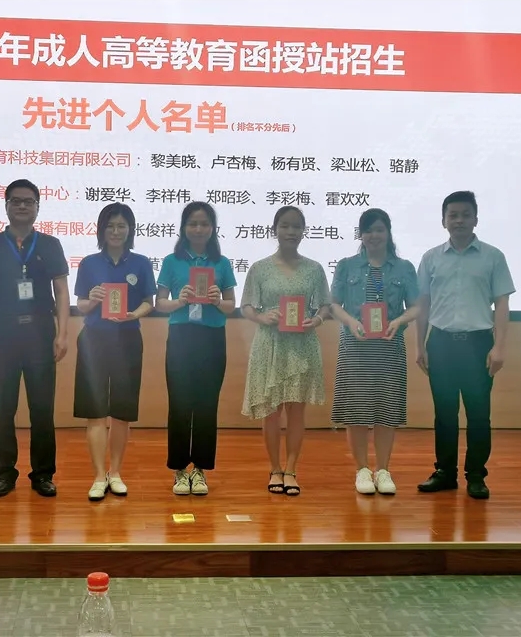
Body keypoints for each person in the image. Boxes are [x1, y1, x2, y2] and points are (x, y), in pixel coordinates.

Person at [0, 179, 70, 498]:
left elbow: (62, 291)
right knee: (3, 408)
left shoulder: (50, 244)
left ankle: (42, 474)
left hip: (40, 333)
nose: (22, 206)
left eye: (29, 201)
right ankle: (4, 473)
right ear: (6, 206)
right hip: (2, 332)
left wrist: (63, 334)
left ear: (38, 207)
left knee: (42, 409)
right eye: (16, 201)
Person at [415, 191, 515, 500]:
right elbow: (423, 305)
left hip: (478, 345)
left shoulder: (493, 256)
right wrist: (420, 346)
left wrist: (499, 347)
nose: (459, 220)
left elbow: (502, 304)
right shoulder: (431, 258)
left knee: (478, 414)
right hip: (441, 343)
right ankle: (445, 472)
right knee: (444, 414)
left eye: (465, 214)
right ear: (443, 220)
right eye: (453, 215)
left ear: (476, 219)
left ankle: (476, 476)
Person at [239, 205, 332, 496]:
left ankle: (291, 469)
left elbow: (325, 305)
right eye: (285, 226)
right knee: (271, 411)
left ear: (304, 231)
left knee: (296, 411)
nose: (291, 232)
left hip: (302, 345)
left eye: (296, 226)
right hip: (270, 344)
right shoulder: (259, 268)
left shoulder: (314, 269)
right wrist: (261, 316)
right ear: (275, 230)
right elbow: (246, 306)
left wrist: (316, 320)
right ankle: (275, 468)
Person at [329, 208, 420, 496]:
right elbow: (333, 304)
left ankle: (382, 469)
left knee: (386, 409)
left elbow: (416, 306)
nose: (373, 235)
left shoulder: (404, 268)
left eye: (379, 229)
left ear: (388, 232)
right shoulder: (347, 266)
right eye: (368, 230)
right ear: (361, 234)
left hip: (389, 347)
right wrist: (350, 321)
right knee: (356, 410)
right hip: (355, 346)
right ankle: (362, 470)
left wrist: (399, 321)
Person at [73, 203, 156, 501]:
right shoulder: (89, 263)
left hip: (128, 340)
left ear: (130, 230)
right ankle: (99, 476)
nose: (116, 231)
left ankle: (116, 472)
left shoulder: (141, 263)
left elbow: (149, 302)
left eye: (122, 226)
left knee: (122, 412)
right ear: (101, 230)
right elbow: (81, 306)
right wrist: (93, 299)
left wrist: (134, 314)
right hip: (94, 340)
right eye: (110, 226)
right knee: (95, 412)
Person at [155, 201, 237, 496]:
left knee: (206, 405)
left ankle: (200, 470)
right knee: (179, 405)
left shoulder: (222, 263)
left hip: (212, 338)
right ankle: (179, 470)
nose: (198, 229)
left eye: (204, 223)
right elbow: (159, 303)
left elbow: (231, 305)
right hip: (181, 338)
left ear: (213, 228)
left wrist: (217, 301)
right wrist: (180, 300)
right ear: (184, 227)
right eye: (193, 223)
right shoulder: (171, 261)